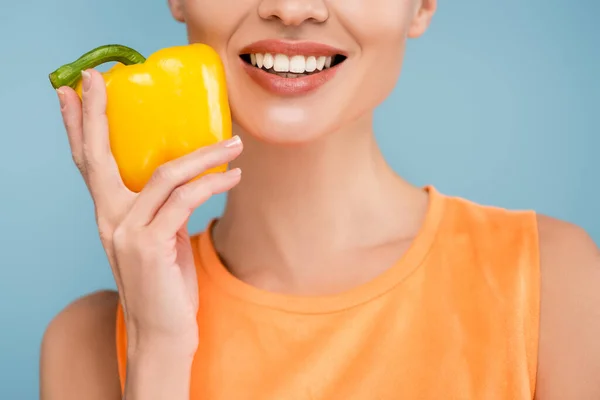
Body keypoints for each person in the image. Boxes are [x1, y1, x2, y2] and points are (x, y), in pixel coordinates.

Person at [40, 0, 600, 399]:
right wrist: (158, 353)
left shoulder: (555, 284)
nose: (291, 7)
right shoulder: (86, 349)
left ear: (423, 5)